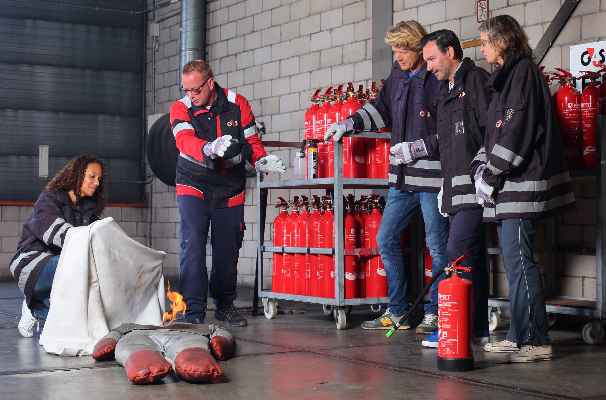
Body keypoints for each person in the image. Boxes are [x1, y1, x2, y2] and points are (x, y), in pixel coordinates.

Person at [325, 21, 448, 333]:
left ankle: (437, 312)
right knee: (385, 238)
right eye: (395, 50)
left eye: (403, 49)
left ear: (420, 48)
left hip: (432, 178)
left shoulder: (436, 78)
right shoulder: (397, 74)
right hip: (402, 179)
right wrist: (349, 123)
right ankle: (398, 312)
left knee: (437, 246)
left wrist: (418, 149)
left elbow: (448, 130)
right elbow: (380, 108)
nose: (398, 55)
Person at [474, 15, 576, 362]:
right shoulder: (503, 79)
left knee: (520, 262)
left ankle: (538, 339)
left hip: (522, 185)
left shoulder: (523, 73)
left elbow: (516, 130)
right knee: (514, 264)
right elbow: (494, 132)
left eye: (485, 40)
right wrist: (481, 169)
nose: (482, 47)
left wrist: (493, 172)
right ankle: (518, 336)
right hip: (509, 188)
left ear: (503, 41)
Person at [170, 60, 285, 327]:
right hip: (193, 182)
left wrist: (259, 161)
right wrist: (208, 149)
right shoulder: (180, 108)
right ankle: (194, 311)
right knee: (193, 245)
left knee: (227, 248)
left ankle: (224, 305)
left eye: (195, 89)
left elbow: (251, 142)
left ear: (210, 83)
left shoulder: (238, 104)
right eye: (185, 90)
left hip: (229, 185)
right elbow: (184, 139)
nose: (190, 95)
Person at [420, 30, 491, 348]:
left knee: (455, 254)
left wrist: (485, 174)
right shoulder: (444, 92)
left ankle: (451, 327)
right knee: (472, 257)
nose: (429, 67)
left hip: (476, 189)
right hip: (455, 191)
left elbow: (491, 131)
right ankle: (476, 328)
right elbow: (449, 143)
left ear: (450, 52)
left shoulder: (475, 80)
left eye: (432, 59)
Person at [10, 155, 107, 338]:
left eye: (99, 179)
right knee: (84, 265)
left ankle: (35, 308)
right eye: (92, 176)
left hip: (65, 265)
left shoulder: (88, 211)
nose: (96, 182)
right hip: (31, 264)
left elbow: (99, 239)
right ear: (77, 175)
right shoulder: (49, 200)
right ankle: (33, 299)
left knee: (82, 322)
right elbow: (56, 231)